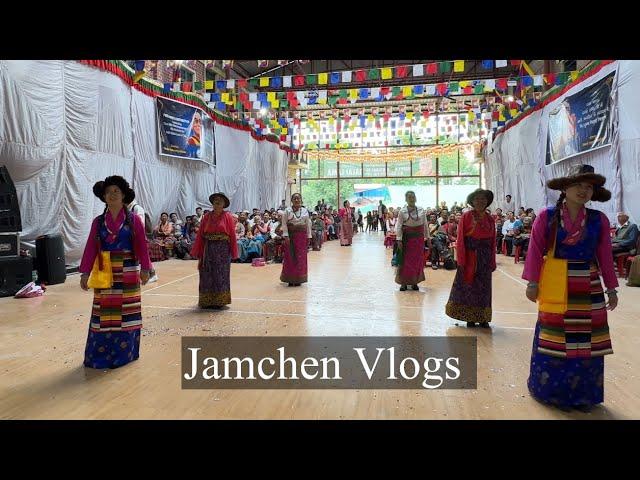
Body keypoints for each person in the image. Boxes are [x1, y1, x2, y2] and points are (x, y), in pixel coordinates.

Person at [523, 164, 618, 411]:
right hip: (557, 285)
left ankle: (584, 396)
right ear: (565, 187)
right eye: (578, 184)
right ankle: (552, 392)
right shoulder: (547, 216)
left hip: (589, 285)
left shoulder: (598, 220)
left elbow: (605, 256)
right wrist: (533, 282)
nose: (583, 190)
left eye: (589, 187)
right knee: (554, 339)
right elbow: (534, 250)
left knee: (589, 342)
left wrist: (612, 288)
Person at [79, 176, 152, 369]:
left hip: (127, 269)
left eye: (116, 191)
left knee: (126, 313)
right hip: (104, 269)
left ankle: (123, 355)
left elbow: (141, 245)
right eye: (108, 192)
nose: (112, 195)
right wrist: (85, 272)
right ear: (103, 197)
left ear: (123, 196)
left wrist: (146, 268)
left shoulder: (133, 220)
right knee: (103, 313)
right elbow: (90, 248)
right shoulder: (98, 222)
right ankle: (99, 356)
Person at [445, 188, 496, 328]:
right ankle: (470, 318)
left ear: (487, 202)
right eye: (477, 199)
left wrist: (492, 261)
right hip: (469, 257)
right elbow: (461, 239)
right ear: (472, 201)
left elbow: (492, 243)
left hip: (485, 259)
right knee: (469, 287)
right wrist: (461, 259)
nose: (480, 201)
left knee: (484, 288)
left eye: (483, 199)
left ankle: (484, 317)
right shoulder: (466, 217)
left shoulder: (490, 219)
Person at [190, 192, 238, 308]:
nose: (217, 202)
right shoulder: (206, 217)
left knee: (221, 274)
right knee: (206, 273)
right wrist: (198, 251)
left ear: (224, 204)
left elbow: (232, 235)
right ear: (212, 203)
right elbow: (201, 234)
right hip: (209, 249)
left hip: (223, 250)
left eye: (220, 200)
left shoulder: (228, 217)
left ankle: (220, 301)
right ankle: (206, 301)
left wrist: (234, 252)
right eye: (215, 200)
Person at [395, 191, 430, 291]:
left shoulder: (421, 210)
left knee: (417, 261)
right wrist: (399, 240)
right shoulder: (402, 211)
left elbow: (425, 226)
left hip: (419, 240)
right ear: (406, 199)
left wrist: (428, 238)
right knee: (405, 261)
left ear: (416, 198)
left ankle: (415, 282)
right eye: (409, 197)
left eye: (413, 196)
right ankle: (403, 283)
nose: (411, 198)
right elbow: (399, 227)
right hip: (407, 240)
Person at [280, 193, 312, 286]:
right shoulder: (287, 211)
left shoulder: (305, 211)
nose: (297, 200)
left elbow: (308, 224)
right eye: (295, 198)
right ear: (292, 200)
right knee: (290, 257)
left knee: (300, 258)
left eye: (298, 198)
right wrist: (286, 236)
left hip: (302, 238)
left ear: (301, 200)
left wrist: (309, 236)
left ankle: (299, 279)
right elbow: (284, 224)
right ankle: (290, 279)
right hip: (291, 237)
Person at [127, 200, 158, 283]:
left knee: (144, 256)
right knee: (141, 256)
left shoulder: (137, 208)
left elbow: (140, 224)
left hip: (138, 237)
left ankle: (152, 274)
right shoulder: (128, 208)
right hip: (132, 237)